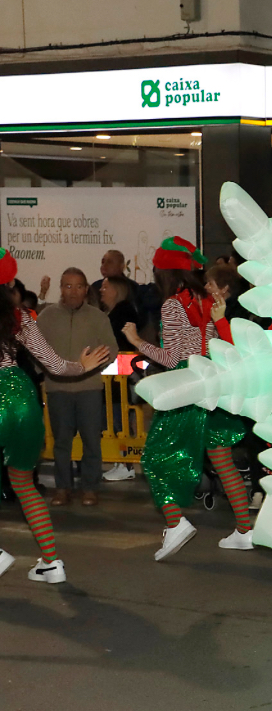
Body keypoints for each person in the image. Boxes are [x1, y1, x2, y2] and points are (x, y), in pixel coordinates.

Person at [122, 238, 262, 562]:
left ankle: (176, 523)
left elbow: (172, 359)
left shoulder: (173, 305)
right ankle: (244, 530)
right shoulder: (208, 297)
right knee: (223, 460)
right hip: (214, 383)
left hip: (187, 388)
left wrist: (136, 340)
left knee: (155, 458)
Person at [0, 248, 111, 584]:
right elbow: (56, 365)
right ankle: (51, 562)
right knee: (23, 483)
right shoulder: (21, 317)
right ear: (10, 283)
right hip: (22, 396)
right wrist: (81, 366)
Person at [38, 268, 118, 507]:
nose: (73, 292)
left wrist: (92, 367)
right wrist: (47, 370)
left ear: (86, 289)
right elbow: (36, 349)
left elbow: (111, 349)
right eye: (68, 286)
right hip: (57, 388)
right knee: (61, 442)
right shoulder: (47, 316)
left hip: (89, 389)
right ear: (61, 289)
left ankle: (90, 488)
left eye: (79, 286)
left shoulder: (98, 317)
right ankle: (62, 488)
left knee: (92, 441)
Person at [100, 276, 139, 352]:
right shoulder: (111, 312)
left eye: (105, 287)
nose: (100, 290)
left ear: (116, 291)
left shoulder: (124, 312)